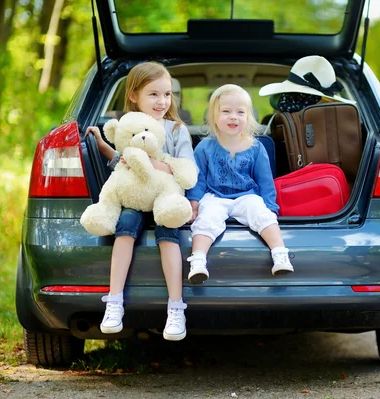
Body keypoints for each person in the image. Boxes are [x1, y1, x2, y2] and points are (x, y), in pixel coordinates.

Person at [85, 61, 197, 341]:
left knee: (167, 233)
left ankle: (175, 308)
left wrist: (156, 167)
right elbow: (121, 164)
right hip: (134, 199)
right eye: (154, 94)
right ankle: (113, 302)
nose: (162, 101)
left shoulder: (175, 130)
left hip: (165, 199)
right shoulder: (128, 127)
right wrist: (101, 144)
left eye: (167, 94)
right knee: (125, 226)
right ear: (134, 95)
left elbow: (188, 170)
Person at [185, 84, 294, 284]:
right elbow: (197, 179)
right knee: (206, 219)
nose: (233, 116)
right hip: (215, 196)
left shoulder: (256, 147)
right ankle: (198, 261)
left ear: (248, 117)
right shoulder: (205, 147)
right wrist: (194, 202)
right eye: (226, 111)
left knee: (262, 214)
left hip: (247, 195)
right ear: (214, 116)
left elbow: (265, 182)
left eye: (240, 112)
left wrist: (271, 207)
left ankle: (280, 254)